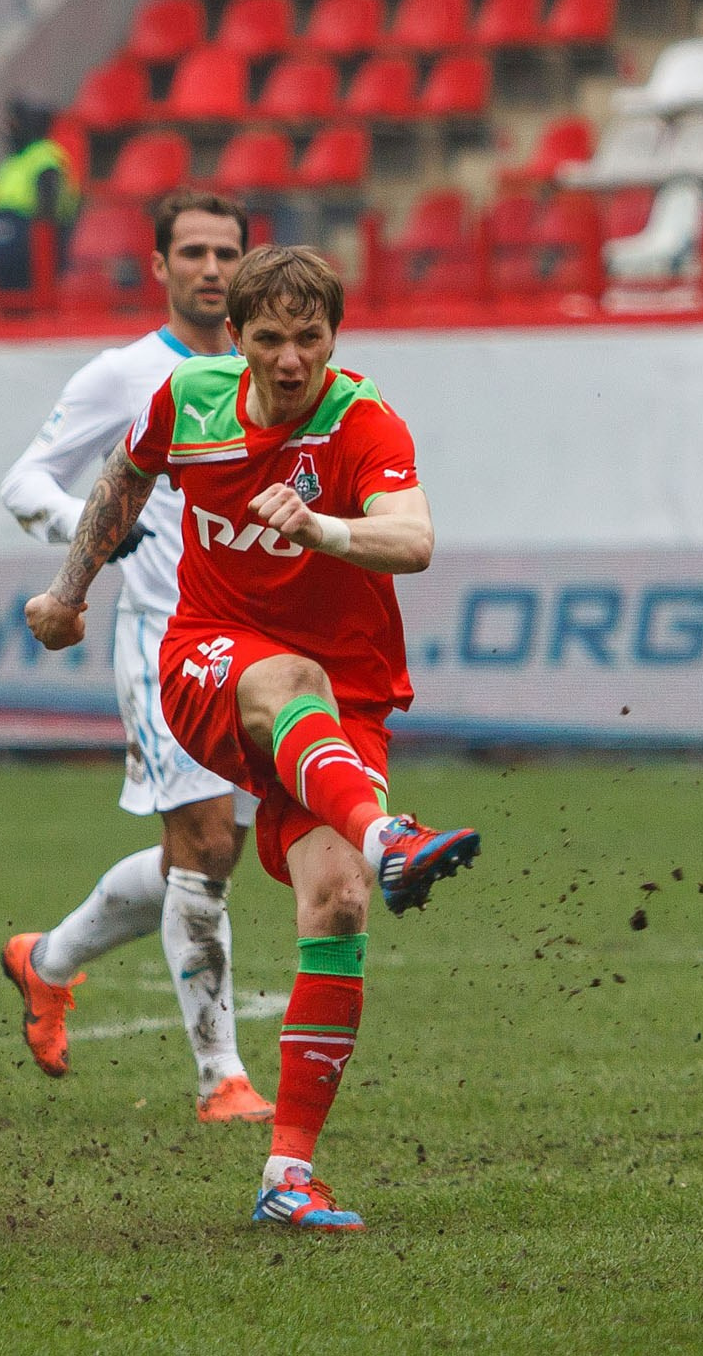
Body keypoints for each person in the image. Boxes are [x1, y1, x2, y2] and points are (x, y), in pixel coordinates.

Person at [24, 244, 483, 1231]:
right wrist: (68, 595)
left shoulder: (362, 421)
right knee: (287, 683)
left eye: (308, 338)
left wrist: (324, 528)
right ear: (235, 338)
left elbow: (415, 537)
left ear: (333, 338)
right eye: (268, 337)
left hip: (339, 706)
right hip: (209, 666)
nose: (289, 358)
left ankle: (287, 1174)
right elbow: (122, 479)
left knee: (340, 902)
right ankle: (386, 832)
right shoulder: (186, 399)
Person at [0, 190, 275, 1124]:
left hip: (254, 649)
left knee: (208, 852)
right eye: (191, 251)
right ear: (158, 267)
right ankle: (222, 1077)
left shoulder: (272, 375)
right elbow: (24, 481)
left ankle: (47, 961)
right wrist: (91, 528)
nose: (210, 268)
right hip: (161, 644)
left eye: (225, 252)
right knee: (202, 845)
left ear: (249, 264)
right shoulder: (125, 376)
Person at [0, 97, 80, 293]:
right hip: (2, 248)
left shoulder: (46, 157)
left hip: (32, 248)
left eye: (14, 123)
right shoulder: (11, 163)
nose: (9, 129)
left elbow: (48, 208)